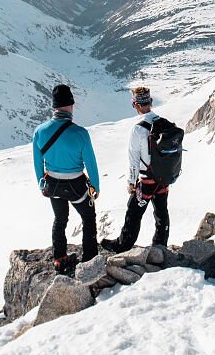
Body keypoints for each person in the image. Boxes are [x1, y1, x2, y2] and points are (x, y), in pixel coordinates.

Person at [32, 84, 100, 274]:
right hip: (76, 184)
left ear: (54, 107)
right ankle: (89, 258)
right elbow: (91, 164)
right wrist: (94, 186)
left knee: (60, 219)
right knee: (88, 218)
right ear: (70, 105)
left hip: (52, 185)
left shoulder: (40, 131)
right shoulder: (80, 133)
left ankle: (59, 259)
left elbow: (38, 163)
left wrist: (41, 182)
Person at [101, 86, 170, 252]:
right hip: (163, 178)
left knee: (133, 213)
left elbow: (133, 161)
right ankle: (160, 245)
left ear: (135, 105)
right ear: (151, 102)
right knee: (161, 213)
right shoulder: (163, 123)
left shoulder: (138, 129)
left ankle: (122, 245)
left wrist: (131, 183)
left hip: (146, 180)